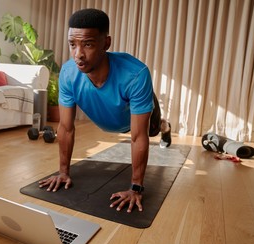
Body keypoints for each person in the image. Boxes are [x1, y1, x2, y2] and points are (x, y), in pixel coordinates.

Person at [39, 8, 171, 213]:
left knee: (152, 130)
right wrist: (63, 172)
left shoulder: (136, 74)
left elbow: (137, 137)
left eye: (88, 44)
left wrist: (135, 188)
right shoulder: (68, 73)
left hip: (135, 117)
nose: (78, 54)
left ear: (106, 43)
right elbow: (65, 128)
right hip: (108, 116)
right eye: (72, 44)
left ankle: (165, 126)